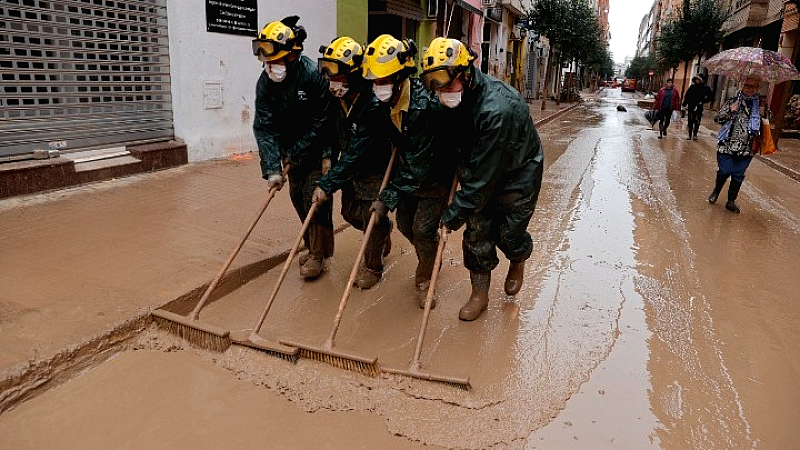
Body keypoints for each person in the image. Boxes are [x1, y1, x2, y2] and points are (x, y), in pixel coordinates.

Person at [419, 38, 544, 321]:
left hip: (518, 173)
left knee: (507, 234)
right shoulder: (450, 95)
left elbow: (482, 182)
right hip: (479, 166)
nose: (441, 92)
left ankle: (518, 257)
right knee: (477, 232)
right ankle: (480, 294)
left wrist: (452, 214)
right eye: (435, 85)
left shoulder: (496, 109)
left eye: (446, 84)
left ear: (465, 74)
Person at [362, 34, 457, 308]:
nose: (378, 86)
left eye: (384, 80)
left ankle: (425, 276)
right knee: (405, 225)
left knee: (423, 230)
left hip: (434, 177)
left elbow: (418, 165)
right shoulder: (385, 102)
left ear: (400, 76)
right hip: (407, 176)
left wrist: (385, 198)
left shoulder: (422, 106)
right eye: (375, 81)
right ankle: (430, 256)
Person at [251, 16, 337, 278]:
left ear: (291, 56)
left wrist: (308, 153)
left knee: (316, 203)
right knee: (299, 202)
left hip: (316, 152)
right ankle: (312, 245)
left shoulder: (312, 76)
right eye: (266, 61)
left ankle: (318, 256)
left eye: (274, 60)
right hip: (290, 156)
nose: (269, 66)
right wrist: (272, 168)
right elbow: (264, 126)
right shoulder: (265, 83)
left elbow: (323, 121)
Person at [311, 36, 393, 289]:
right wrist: (327, 156)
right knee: (349, 213)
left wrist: (327, 185)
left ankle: (373, 267)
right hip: (350, 169)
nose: (331, 81)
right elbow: (330, 132)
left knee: (371, 218)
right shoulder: (338, 99)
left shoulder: (372, 104)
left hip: (373, 168)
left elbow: (358, 150)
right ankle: (383, 231)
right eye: (328, 74)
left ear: (355, 74)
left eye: (336, 74)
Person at [709, 77, 765, 213]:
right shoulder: (732, 101)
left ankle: (731, 201)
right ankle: (716, 190)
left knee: (738, 175)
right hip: (727, 144)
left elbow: (766, 124)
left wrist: (765, 115)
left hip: (747, 148)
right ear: (742, 86)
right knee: (725, 171)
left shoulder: (760, 105)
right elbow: (718, 118)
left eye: (753, 87)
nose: (750, 89)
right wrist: (731, 111)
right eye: (747, 86)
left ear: (757, 89)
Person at [683, 75, 714, 141]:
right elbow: (687, 96)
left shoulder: (706, 88)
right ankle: (689, 135)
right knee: (690, 120)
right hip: (691, 106)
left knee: (697, 121)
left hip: (699, 107)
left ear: (701, 80)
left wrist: (703, 101)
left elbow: (710, 97)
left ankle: (695, 134)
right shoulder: (692, 87)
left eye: (698, 79)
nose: (697, 81)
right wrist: (684, 104)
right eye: (696, 79)